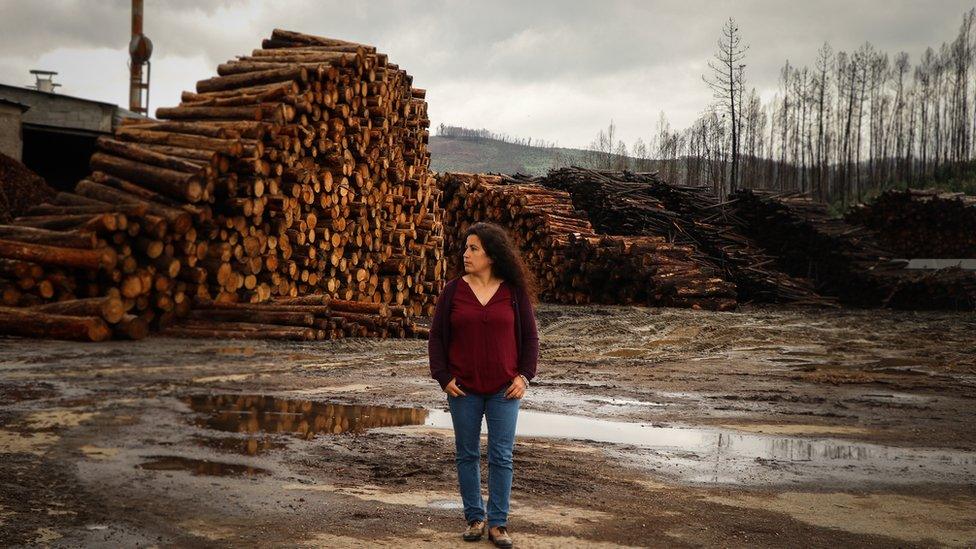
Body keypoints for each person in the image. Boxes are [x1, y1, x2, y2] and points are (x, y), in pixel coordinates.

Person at [428, 222, 539, 548]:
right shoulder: (452, 292)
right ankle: (475, 519)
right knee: (467, 454)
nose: (466, 254)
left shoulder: (514, 293)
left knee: (502, 456)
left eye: (473, 248)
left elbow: (530, 338)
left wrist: (524, 376)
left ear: (491, 254)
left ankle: (498, 525)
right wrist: (443, 377)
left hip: (505, 390)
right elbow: (436, 339)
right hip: (463, 390)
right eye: (465, 248)